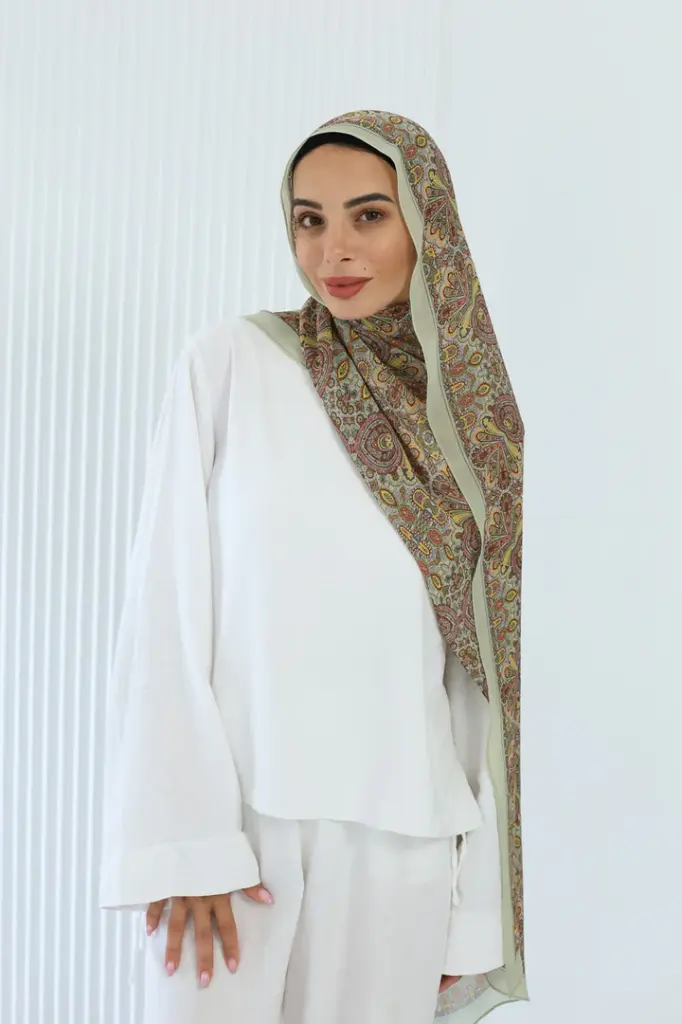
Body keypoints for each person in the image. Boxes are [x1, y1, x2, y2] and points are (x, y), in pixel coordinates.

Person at [98, 110, 528, 1024]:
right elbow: (165, 607)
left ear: (428, 223)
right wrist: (187, 844)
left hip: (405, 846)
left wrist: (472, 911)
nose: (334, 249)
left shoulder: (475, 425)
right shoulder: (231, 364)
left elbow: (487, 683)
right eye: (309, 219)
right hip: (237, 838)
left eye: (369, 215)